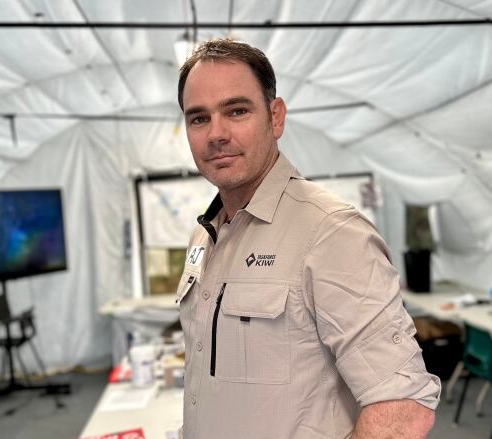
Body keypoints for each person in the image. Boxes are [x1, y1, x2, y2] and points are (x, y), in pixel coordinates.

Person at [176, 38, 440, 439]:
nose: (216, 133)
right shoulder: (207, 233)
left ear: (276, 117)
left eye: (237, 110)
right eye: (198, 118)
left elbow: (403, 409)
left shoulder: (329, 233)